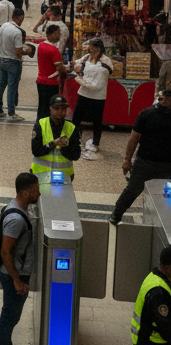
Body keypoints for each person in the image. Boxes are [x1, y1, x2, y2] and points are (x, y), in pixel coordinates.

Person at [0, 172, 40, 345]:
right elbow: (5, 251)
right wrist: (16, 280)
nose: (40, 193)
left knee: (12, 316)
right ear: (26, 192)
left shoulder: (17, 208)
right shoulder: (15, 219)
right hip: (14, 276)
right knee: (9, 316)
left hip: (18, 274)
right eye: (36, 190)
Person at [110, 88, 171, 225]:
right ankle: (116, 215)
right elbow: (134, 138)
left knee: (165, 195)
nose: (164, 101)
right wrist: (127, 160)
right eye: (163, 98)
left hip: (168, 165)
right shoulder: (147, 114)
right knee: (132, 190)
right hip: (145, 162)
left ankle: (161, 222)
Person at [70, 37, 114, 160]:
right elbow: (78, 63)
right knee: (76, 117)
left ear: (98, 49)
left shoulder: (105, 64)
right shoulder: (87, 57)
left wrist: (79, 80)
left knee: (97, 120)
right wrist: (74, 65)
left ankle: (95, 142)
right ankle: (72, 138)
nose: (88, 50)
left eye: (91, 48)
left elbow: (96, 85)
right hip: (84, 93)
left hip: (98, 96)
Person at [30, 95, 81, 180]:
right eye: (56, 108)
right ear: (50, 108)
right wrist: (52, 144)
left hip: (64, 176)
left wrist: (64, 148)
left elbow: (76, 155)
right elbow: (36, 151)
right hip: (40, 174)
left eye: (63, 108)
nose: (60, 111)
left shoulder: (72, 127)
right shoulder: (41, 124)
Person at [0, 7, 27, 122]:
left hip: (2, 60)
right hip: (13, 62)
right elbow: (18, 53)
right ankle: (11, 113)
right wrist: (26, 52)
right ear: (20, 18)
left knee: (1, 85)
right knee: (12, 88)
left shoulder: (3, 26)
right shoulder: (17, 32)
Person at [34, 23, 67, 121]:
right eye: (56, 34)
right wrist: (67, 68)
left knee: (42, 106)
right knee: (51, 107)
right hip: (51, 83)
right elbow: (60, 68)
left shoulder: (41, 46)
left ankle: (39, 125)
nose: (58, 36)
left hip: (41, 80)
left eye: (59, 34)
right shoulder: (54, 50)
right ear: (49, 35)